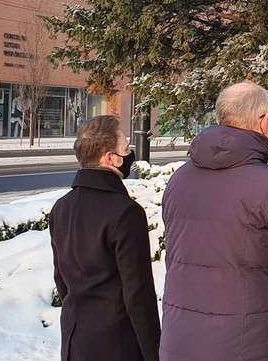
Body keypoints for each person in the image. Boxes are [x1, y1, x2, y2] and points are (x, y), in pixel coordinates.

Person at [160, 81, 268, 361]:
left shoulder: (179, 180)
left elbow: (177, 258)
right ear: (263, 121)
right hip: (250, 344)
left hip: (180, 339)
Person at [49, 115, 159, 361]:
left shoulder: (61, 208)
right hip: (118, 342)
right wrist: (154, 352)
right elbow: (138, 292)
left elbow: (62, 279)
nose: (129, 154)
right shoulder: (126, 212)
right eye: (126, 149)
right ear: (111, 158)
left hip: (75, 339)